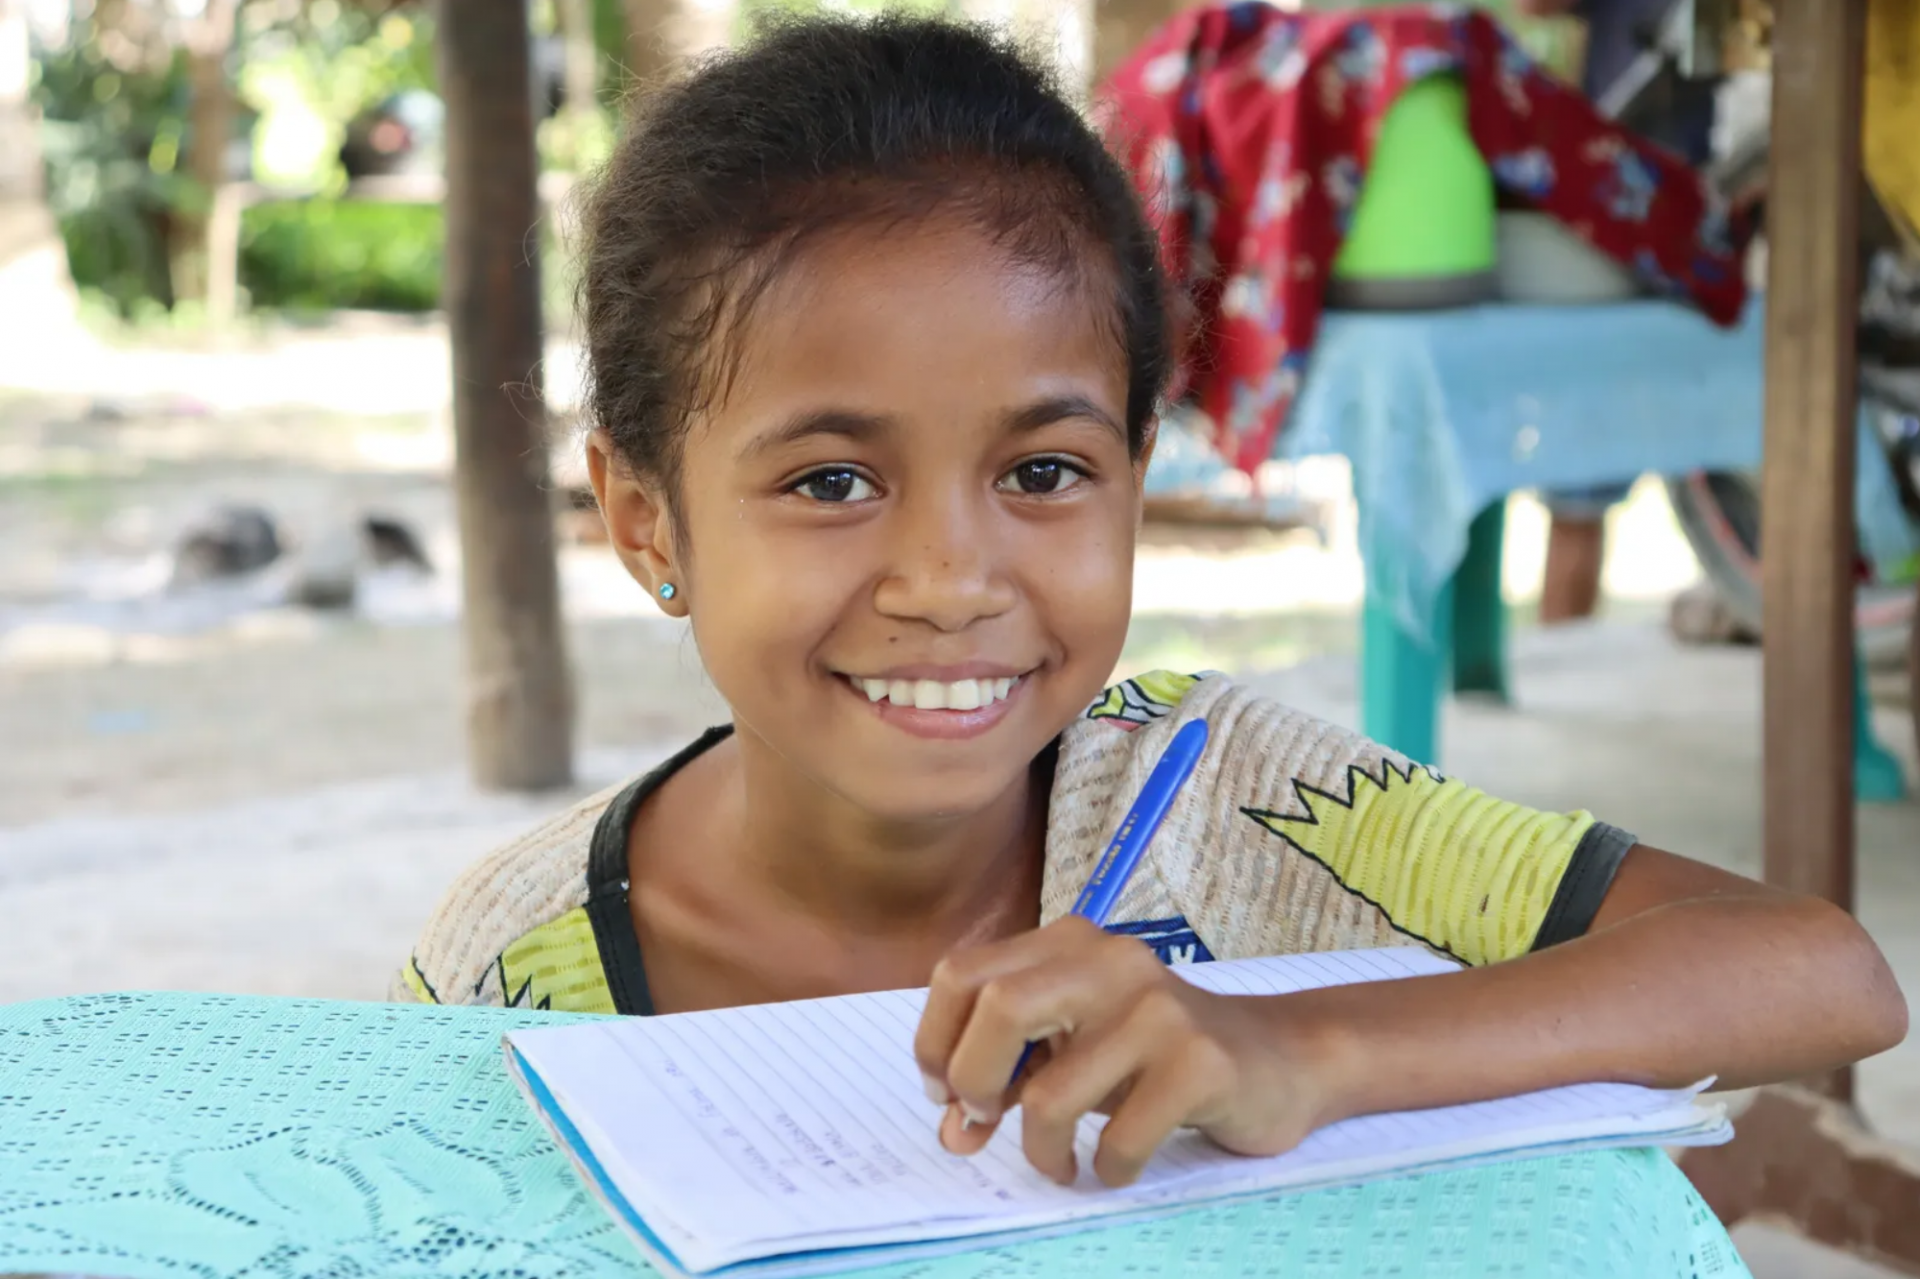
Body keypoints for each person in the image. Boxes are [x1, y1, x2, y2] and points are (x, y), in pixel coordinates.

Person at [394, 14, 1903, 1191]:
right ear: (645, 517)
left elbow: (1821, 972)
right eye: (833, 481)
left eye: (1043, 471)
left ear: (1134, 464)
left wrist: (1299, 1044)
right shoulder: (509, 969)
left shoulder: (1249, 807)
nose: (951, 581)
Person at [1516, 0, 1722, 623]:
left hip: (1722, 207)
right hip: (1616, 221)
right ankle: (1563, 648)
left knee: (1763, 493)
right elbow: (1537, 8)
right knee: (1577, 496)